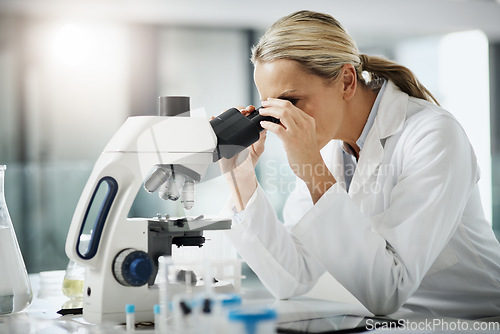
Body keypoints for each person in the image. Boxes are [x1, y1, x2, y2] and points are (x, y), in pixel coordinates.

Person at [221, 10, 500, 319]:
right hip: (393, 323)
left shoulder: (433, 134)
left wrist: (312, 171)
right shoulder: (325, 147)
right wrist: (242, 178)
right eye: (269, 106)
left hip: (472, 321)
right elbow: (293, 276)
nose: (280, 119)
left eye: (292, 102)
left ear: (346, 81)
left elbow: (388, 290)